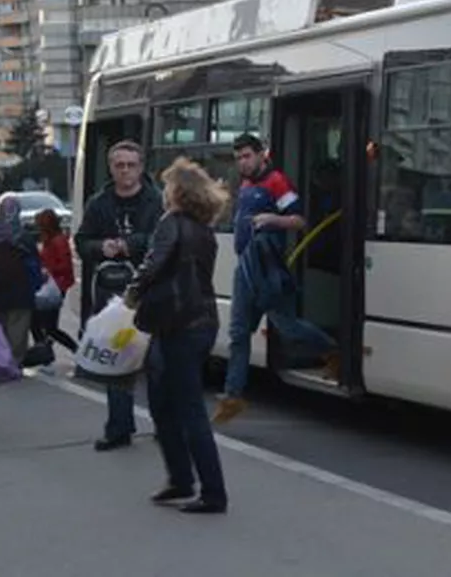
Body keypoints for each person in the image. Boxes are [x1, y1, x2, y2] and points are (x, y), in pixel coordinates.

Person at [125, 157, 228, 514]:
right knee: (166, 402)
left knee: (184, 408)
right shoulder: (204, 229)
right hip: (200, 321)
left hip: (177, 323)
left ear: (178, 192)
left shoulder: (172, 223)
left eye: (168, 186)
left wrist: (131, 294)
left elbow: (153, 263)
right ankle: (181, 479)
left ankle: (210, 491)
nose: (164, 192)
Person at [213, 132, 337, 424]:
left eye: (247, 156)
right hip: (245, 267)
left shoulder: (277, 182)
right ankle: (232, 396)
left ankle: (332, 351)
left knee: (287, 326)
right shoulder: (246, 184)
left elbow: (300, 220)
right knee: (238, 333)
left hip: (267, 269)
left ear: (261, 155)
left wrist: (272, 219)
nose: (242, 163)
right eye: (238, 158)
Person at [73, 140, 163, 452]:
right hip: (113, 296)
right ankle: (119, 429)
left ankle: (164, 425)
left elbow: (163, 240)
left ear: (141, 167)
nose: (125, 171)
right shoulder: (99, 203)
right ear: (111, 168)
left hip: (151, 292)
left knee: (157, 365)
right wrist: (101, 247)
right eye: (119, 165)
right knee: (117, 362)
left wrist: (129, 244)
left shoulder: (156, 201)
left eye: (131, 165)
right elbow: (81, 241)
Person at [0, 197, 43, 367]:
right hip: (20, 291)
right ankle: (13, 363)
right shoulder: (23, 237)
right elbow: (34, 267)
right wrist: (36, 287)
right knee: (18, 329)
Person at [30, 208, 77, 355]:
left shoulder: (56, 241)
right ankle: (46, 348)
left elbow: (64, 265)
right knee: (44, 323)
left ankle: (74, 349)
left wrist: (48, 269)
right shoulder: (51, 240)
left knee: (47, 325)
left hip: (56, 285)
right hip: (55, 284)